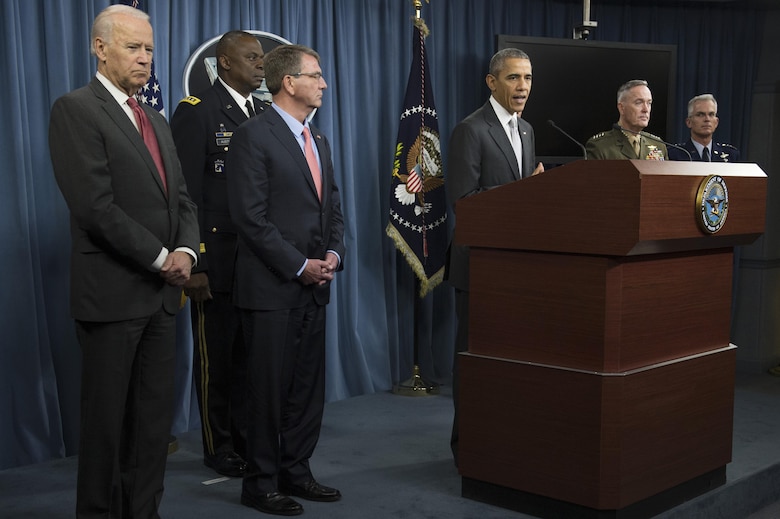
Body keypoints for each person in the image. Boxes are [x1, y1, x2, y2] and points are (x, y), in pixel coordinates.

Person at [47, 5, 199, 518]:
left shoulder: (155, 116)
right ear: (100, 48)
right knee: (107, 428)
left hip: (161, 300)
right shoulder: (76, 109)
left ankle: (143, 512)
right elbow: (95, 207)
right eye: (133, 47)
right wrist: (161, 257)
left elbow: (181, 199)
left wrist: (186, 250)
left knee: (152, 425)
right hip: (112, 296)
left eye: (150, 49)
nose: (144, 58)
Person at [226, 44, 345, 516]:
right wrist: (300, 265)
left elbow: (332, 209)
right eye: (315, 76)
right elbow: (250, 219)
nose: (324, 84)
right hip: (272, 289)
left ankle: (297, 471)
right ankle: (260, 482)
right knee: (267, 391)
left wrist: (333, 253)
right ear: (288, 82)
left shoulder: (321, 141)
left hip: (315, 288)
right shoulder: (253, 136)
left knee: (305, 388)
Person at [170, 30, 267, 479]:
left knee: (250, 361)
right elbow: (184, 193)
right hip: (217, 260)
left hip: (256, 262)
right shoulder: (198, 112)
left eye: (262, 57)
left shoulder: (264, 113)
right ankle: (219, 445)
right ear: (224, 63)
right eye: (251, 57)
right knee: (219, 361)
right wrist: (197, 262)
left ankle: (247, 438)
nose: (260, 64)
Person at [445, 47, 544, 466]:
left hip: (515, 267)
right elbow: (464, 202)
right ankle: (466, 447)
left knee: (510, 364)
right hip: (479, 267)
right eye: (513, 78)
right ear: (492, 82)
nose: (522, 87)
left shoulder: (527, 131)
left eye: (527, 78)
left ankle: (503, 442)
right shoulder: (471, 129)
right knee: (475, 362)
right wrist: (525, 193)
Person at [585, 79, 668, 160]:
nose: (645, 109)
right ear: (622, 108)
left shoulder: (658, 145)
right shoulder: (601, 146)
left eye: (649, 103)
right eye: (639, 102)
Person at [668, 93, 741, 162]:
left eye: (711, 114)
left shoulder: (731, 155)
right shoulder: (674, 155)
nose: (707, 119)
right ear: (689, 122)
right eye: (700, 115)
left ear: (716, 122)